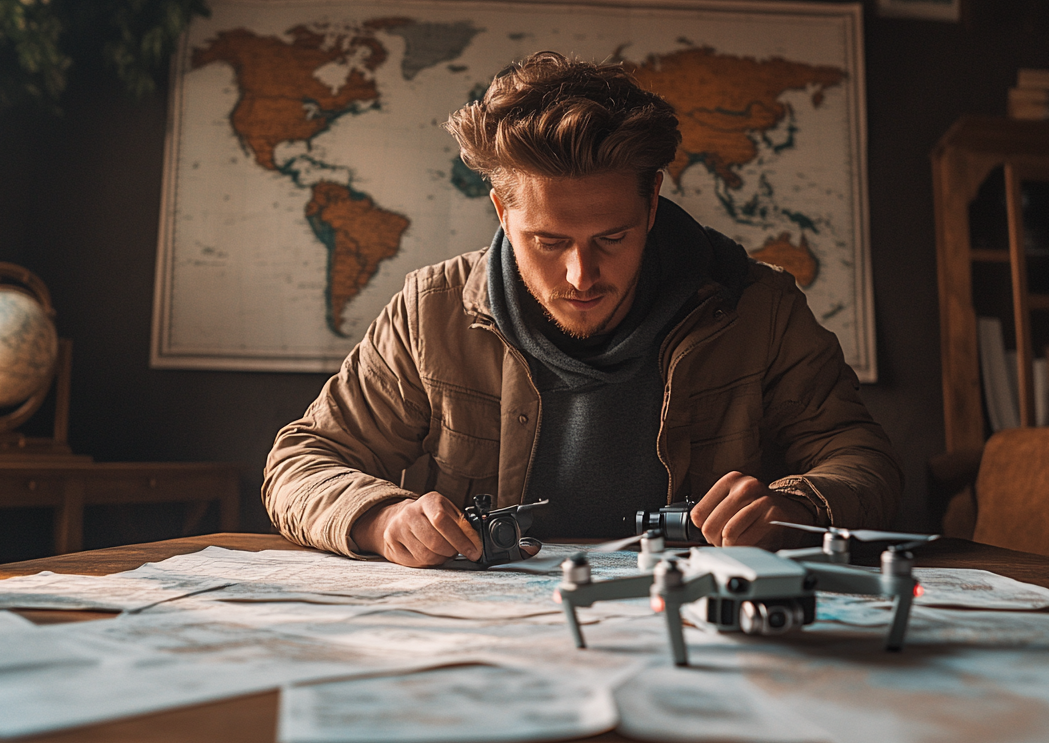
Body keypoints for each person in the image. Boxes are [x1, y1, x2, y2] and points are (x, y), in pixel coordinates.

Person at [263, 51, 901, 567]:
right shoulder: (430, 312)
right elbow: (302, 460)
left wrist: (798, 507)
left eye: (612, 239)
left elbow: (863, 459)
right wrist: (382, 519)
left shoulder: (762, 308)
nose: (581, 276)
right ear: (502, 212)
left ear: (652, 204)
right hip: (489, 637)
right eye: (548, 242)